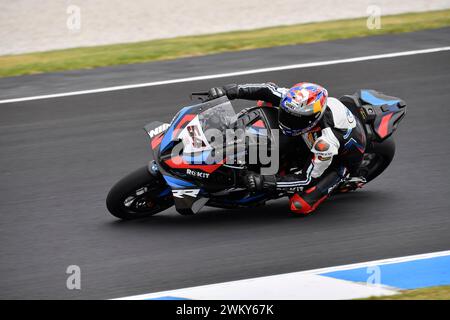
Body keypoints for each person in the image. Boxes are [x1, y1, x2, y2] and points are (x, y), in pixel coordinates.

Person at [207, 82, 367, 215]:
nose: (287, 120)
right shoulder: (295, 102)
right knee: (264, 103)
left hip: (341, 160)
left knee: (300, 205)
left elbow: (306, 179)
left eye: (295, 119)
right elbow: (266, 90)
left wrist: (264, 181)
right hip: (308, 137)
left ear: (313, 119)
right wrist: (229, 91)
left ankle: (341, 180)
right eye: (287, 113)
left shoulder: (325, 142)